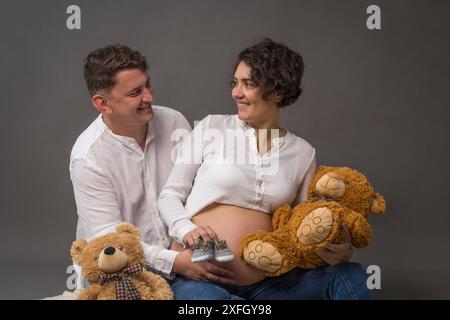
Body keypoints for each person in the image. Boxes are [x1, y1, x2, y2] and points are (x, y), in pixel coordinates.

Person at [158, 38, 373, 299]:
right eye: (235, 82)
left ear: (277, 92)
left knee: (348, 274)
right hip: (201, 279)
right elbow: (170, 195)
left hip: (269, 286)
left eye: (248, 84)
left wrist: (338, 249)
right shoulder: (212, 127)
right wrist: (185, 230)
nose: (236, 93)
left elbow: (302, 223)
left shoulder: (303, 152)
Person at [69, 44, 236, 288]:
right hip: (124, 270)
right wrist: (176, 262)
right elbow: (109, 239)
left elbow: (194, 190)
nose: (149, 97)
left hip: (184, 254)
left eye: (147, 85)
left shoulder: (173, 121)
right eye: (135, 92)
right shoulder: (88, 158)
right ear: (103, 104)